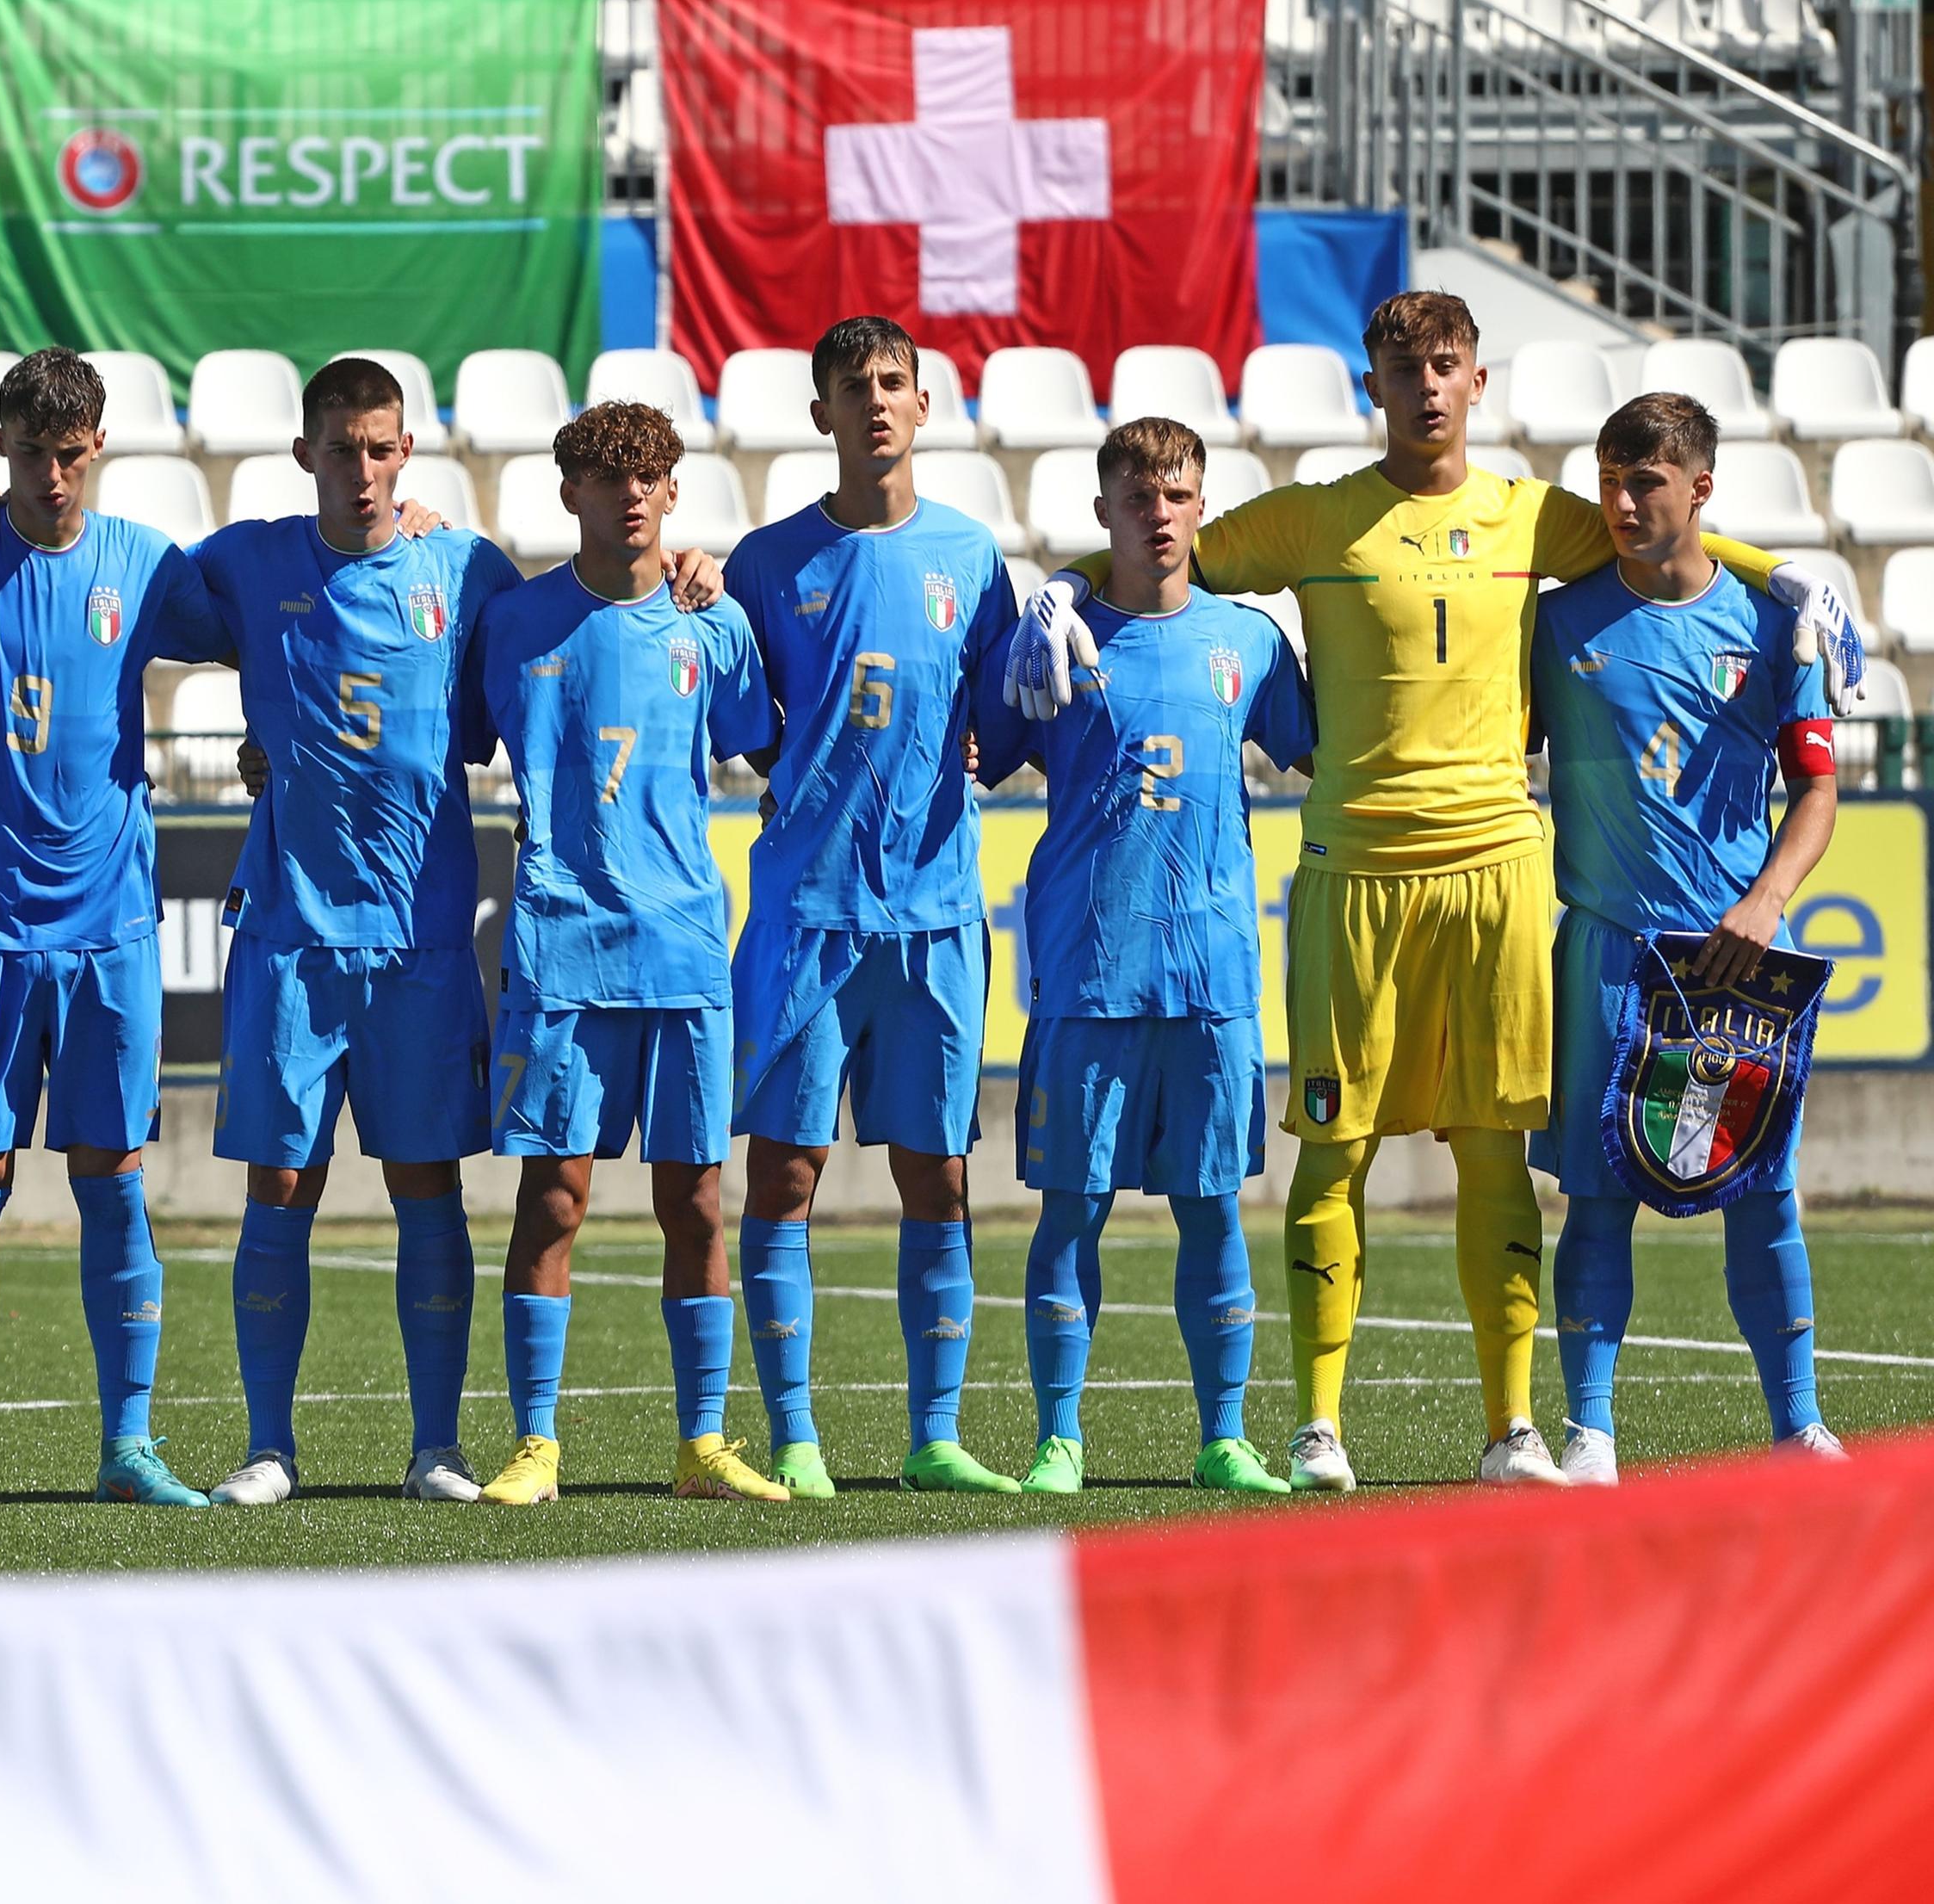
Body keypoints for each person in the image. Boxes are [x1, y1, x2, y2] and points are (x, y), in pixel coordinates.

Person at [1005, 290, 1862, 1489]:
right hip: (1354, 874)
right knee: (1334, 1151)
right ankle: (1318, 1426)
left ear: (1477, 383)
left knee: (1497, 1152)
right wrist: (1060, 581)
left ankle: (1517, 1428)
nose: (1424, 386)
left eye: (1445, 365)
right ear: (1374, 385)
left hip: (1500, 879)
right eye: (1401, 367)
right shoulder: (1317, 521)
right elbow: (1169, 548)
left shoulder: (1537, 517)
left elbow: (1666, 537)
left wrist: (1784, 577)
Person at [0, 346, 231, 1509]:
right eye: (30, 453)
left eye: (71, 455)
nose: (51, 478)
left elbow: (280, 618)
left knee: (113, 1178)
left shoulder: (145, 564)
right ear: (1, 447)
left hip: (108, 931)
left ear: (99, 449)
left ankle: (127, 1446)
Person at [194, 356, 522, 1505]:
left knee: (426, 1185)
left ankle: (437, 1445)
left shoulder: (467, 569)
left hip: (422, 939)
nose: (365, 470)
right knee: (280, 1186)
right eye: (343, 449)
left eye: (383, 448)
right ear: (305, 456)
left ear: (409, 453)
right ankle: (269, 1448)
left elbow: (552, 663)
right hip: (290, 939)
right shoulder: (245, 563)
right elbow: (106, 597)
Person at [720, 315, 1024, 1497]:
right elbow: (743, 727)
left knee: (936, 1175)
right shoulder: (763, 563)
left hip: (939, 915)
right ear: (823, 416)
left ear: (926, 405)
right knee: (785, 1175)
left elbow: (1006, 729)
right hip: (810, 913)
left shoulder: (975, 557)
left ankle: (934, 1435)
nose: (879, 403)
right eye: (856, 388)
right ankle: (794, 1434)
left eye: (897, 383)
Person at [464, 400, 785, 1506]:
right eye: (607, 478)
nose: (631, 494)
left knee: (696, 1199)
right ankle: (536, 1445)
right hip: (559, 940)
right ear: (571, 495)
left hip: (685, 943)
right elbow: (442, 729)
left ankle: (702, 1442)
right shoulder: (513, 622)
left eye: (649, 476)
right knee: (553, 1197)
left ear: (673, 491)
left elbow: (766, 744)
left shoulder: (714, 622)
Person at [983, 418, 1310, 1496]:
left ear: (1202, 507)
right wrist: (1039, 613)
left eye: (1176, 495)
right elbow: (980, 751)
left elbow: (1327, 746)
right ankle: (1059, 1438)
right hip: (1088, 970)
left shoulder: (1251, 640)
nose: (1158, 514)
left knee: (1212, 1206)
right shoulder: (1056, 640)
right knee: (1071, 1208)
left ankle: (1225, 1437)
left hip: (1212, 974)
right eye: (1137, 496)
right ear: (1104, 512)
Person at [1530, 391, 1844, 1480]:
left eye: (1645, 483)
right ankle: (1591, 1431)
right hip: (1612, 956)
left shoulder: (1773, 627)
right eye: (1608, 481)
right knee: (1598, 1189)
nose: (1619, 503)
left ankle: (1797, 1424)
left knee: (1763, 1190)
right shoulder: (1560, 621)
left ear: (1699, 488)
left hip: (1737, 957)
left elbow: (1817, 791)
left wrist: (1763, 900)